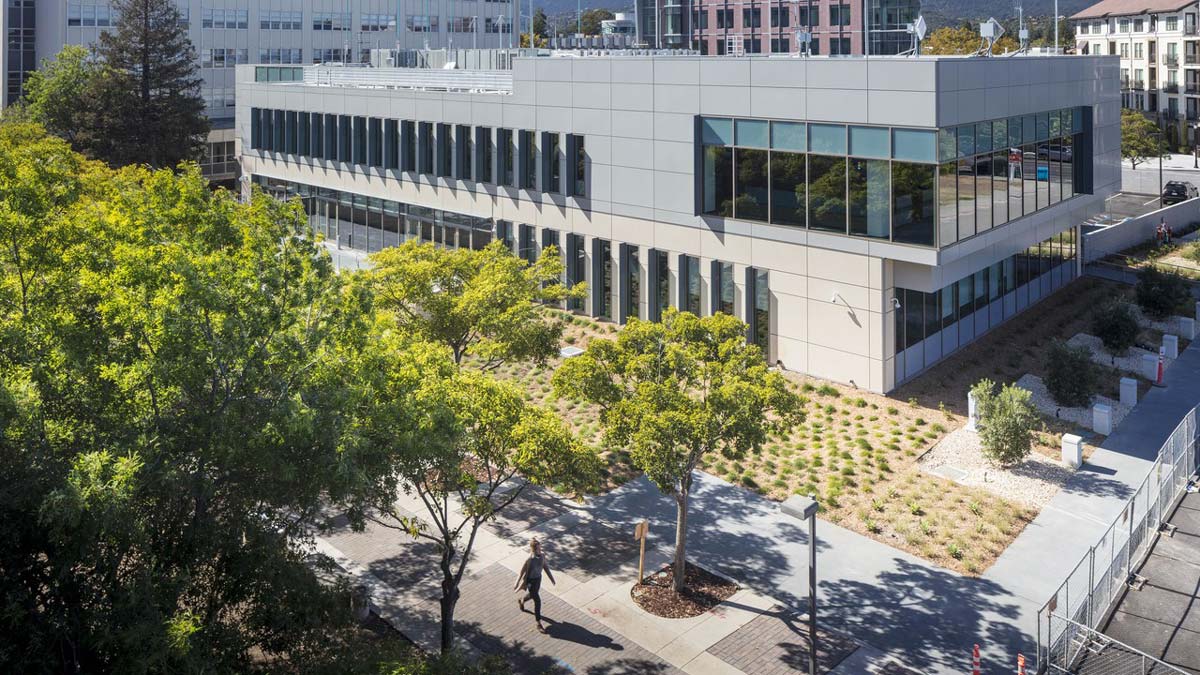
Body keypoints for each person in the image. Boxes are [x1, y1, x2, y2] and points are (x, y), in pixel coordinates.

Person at [514, 538, 556, 633]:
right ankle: (538, 623)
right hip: (530, 581)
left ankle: (521, 600)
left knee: (533, 595)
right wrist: (517, 583)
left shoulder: (542, 556)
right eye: (538, 549)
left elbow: (545, 567)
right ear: (533, 550)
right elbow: (521, 572)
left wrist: (551, 578)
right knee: (537, 600)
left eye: (540, 548)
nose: (540, 550)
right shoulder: (529, 560)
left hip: (538, 579)